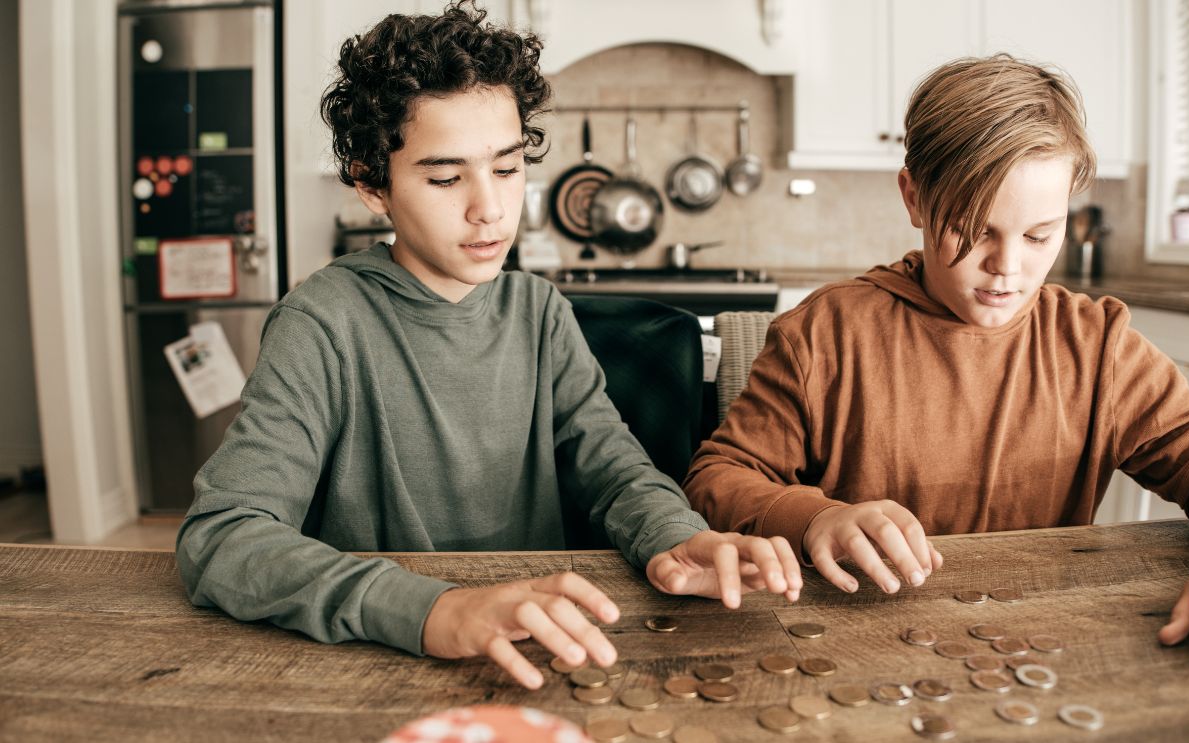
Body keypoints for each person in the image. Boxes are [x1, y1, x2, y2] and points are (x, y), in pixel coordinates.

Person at [176, 1, 802, 690]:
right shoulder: (322, 321)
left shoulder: (538, 312)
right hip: (376, 661)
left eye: (505, 169)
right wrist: (429, 607)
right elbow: (223, 536)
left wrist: (674, 536)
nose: (490, 209)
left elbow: (613, 467)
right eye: (445, 178)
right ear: (370, 186)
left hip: (540, 649)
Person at [684, 54, 1189, 682]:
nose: (1007, 267)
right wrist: (816, 517)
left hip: (1030, 649)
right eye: (973, 229)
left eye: (1039, 236)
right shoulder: (825, 334)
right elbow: (718, 477)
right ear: (915, 198)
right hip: (846, 653)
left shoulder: (1099, 348)